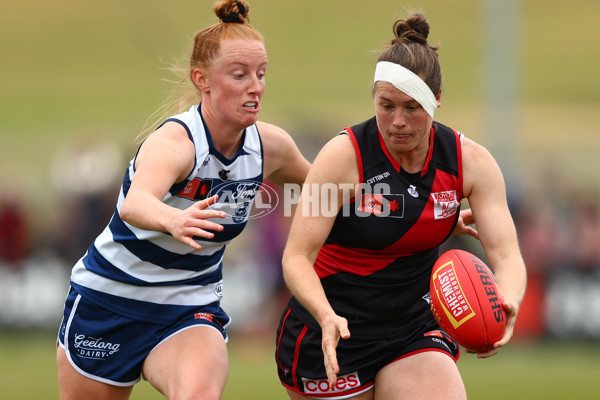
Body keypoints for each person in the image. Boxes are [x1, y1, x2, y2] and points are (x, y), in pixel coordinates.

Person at [55, 1, 310, 399]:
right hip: (110, 301)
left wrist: (380, 201)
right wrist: (173, 220)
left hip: (189, 306)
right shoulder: (176, 143)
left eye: (261, 74)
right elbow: (134, 204)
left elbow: (327, 188)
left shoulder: (270, 147)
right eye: (240, 75)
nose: (255, 86)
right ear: (202, 80)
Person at [275, 13, 527, 400]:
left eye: (412, 107)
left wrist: (506, 301)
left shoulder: (470, 163)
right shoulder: (343, 158)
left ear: (437, 100)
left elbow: (506, 254)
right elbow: (296, 257)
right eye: (386, 105)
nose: (397, 122)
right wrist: (326, 315)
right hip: (333, 329)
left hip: (413, 326)